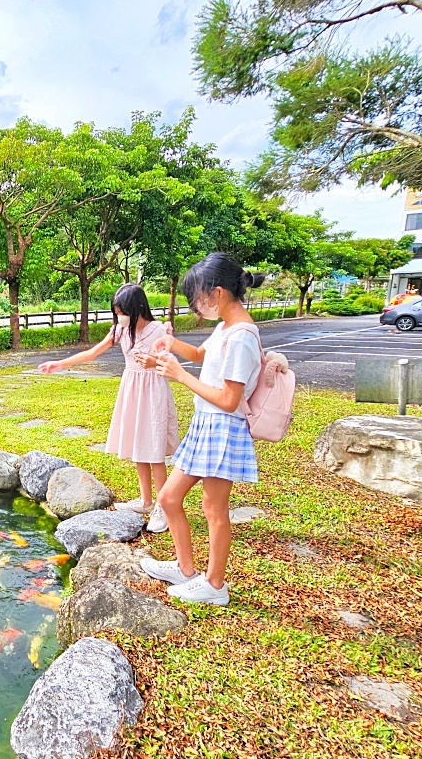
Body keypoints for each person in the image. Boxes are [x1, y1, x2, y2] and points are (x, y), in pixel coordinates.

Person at [139, 252, 265, 606]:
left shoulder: (241, 335)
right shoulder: (226, 326)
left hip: (223, 426)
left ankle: (214, 585)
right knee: (169, 498)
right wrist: (168, 347)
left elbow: (229, 399)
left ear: (219, 292)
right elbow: (198, 355)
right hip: (206, 425)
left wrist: (180, 377)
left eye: (198, 297)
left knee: (214, 509)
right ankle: (185, 568)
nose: (196, 305)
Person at [38, 283, 177, 530]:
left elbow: (170, 363)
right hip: (132, 390)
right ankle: (145, 500)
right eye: (117, 312)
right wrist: (59, 364)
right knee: (138, 446)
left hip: (153, 391)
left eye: (122, 311)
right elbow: (92, 353)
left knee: (154, 449)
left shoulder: (160, 330)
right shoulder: (120, 331)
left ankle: (163, 507)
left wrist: (153, 361)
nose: (120, 317)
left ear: (137, 308)